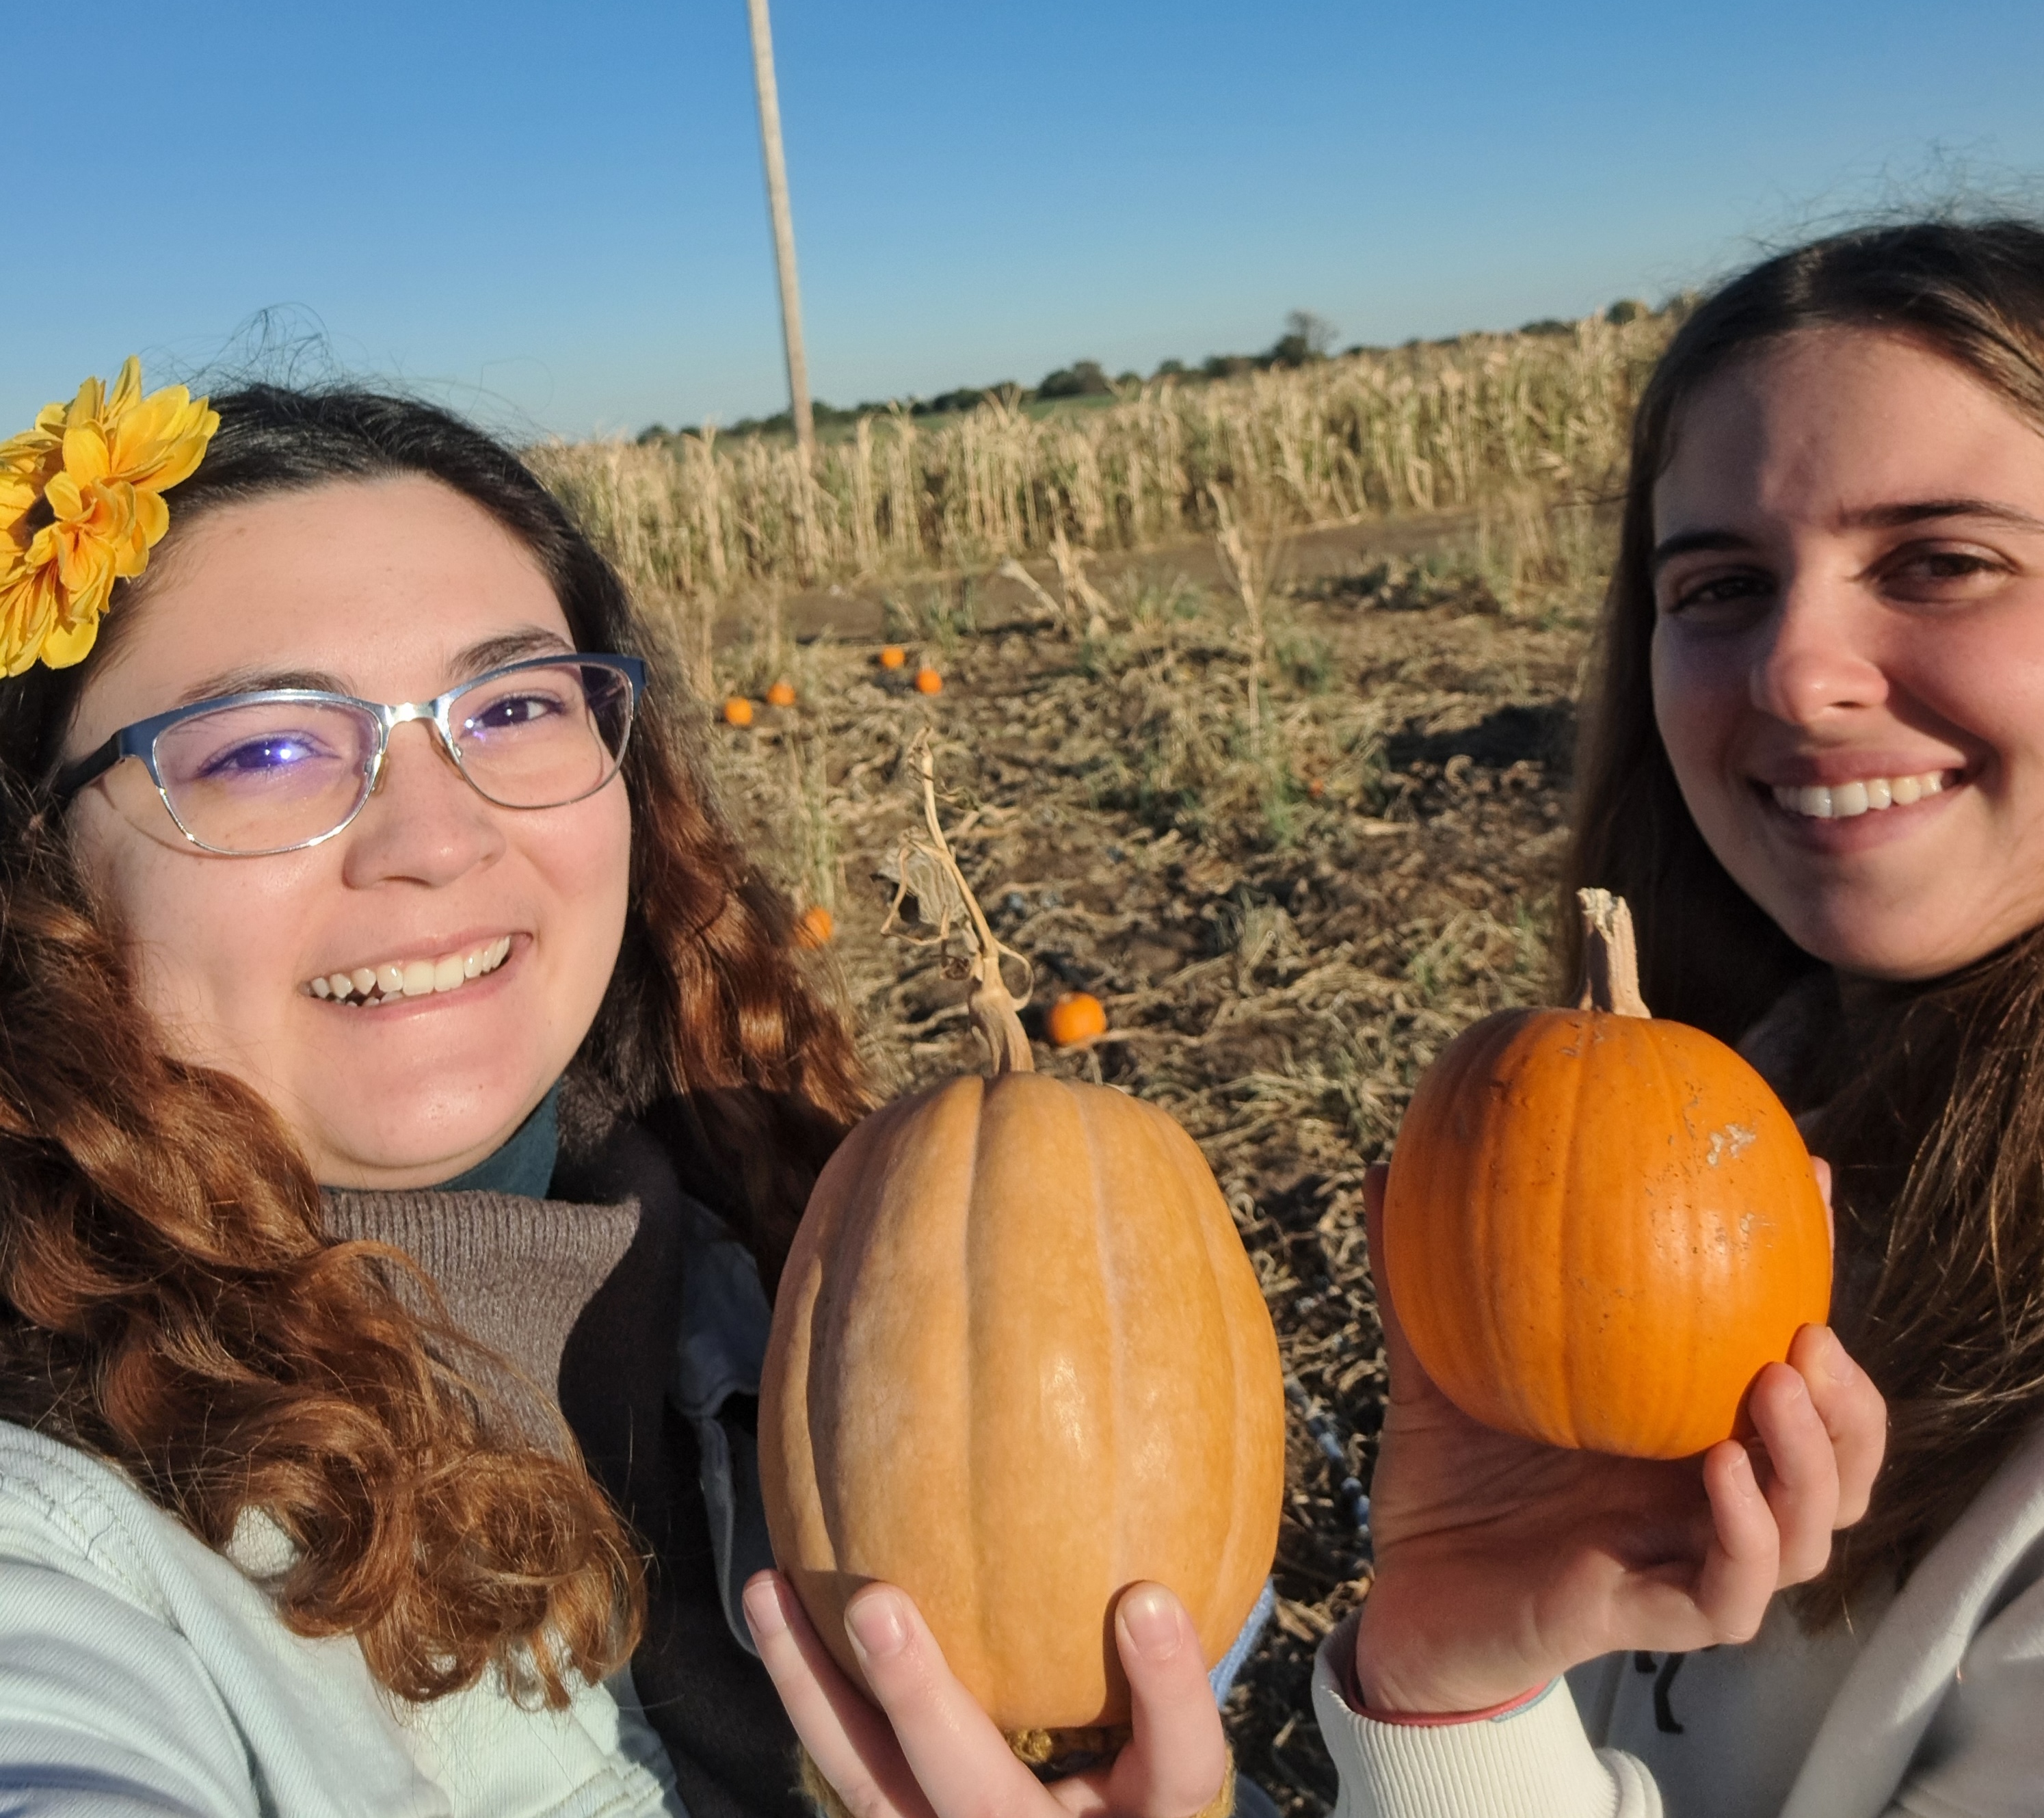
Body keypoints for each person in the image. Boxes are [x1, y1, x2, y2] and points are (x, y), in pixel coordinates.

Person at [748, 218, 2044, 1818]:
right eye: (1717, 584)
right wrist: (1449, 1690)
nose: (1795, 668)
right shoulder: (1733, 1118)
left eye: (1941, 559)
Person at [0, 366, 866, 1817]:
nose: (437, 836)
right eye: (266, 745)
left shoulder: (808, 1274)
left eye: (515, 701)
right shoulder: (67, 1546)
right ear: (42, 879)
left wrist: (1397, 1720)